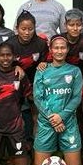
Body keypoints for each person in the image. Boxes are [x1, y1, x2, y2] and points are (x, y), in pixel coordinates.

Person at [32, 35, 83, 165]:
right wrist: (53, 119)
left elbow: (76, 98)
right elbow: (37, 97)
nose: (59, 51)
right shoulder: (42, 70)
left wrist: (61, 116)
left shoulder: (75, 71)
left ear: (67, 50)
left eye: (62, 48)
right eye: (56, 48)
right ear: (50, 50)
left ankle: (62, 152)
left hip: (68, 123)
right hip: (46, 122)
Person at [8, 11, 51, 142]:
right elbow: (2, 66)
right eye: (23, 29)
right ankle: (18, 146)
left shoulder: (41, 44)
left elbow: (47, 62)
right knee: (16, 117)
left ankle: (38, 145)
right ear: (17, 28)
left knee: (36, 115)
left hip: (36, 84)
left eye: (30, 29)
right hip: (16, 86)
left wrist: (45, 63)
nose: (27, 32)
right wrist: (14, 66)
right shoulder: (10, 44)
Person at [63, 9, 83, 73]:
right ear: (65, 25)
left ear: (82, 25)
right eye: (71, 25)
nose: (75, 28)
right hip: (61, 75)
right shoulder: (59, 40)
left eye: (78, 25)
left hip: (80, 76)